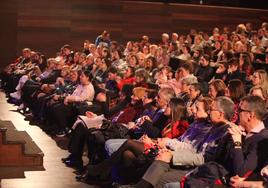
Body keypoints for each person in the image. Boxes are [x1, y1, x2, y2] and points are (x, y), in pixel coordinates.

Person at [114, 96, 234, 188]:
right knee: (152, 161)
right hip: (186, 159)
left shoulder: (224, 133)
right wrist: (163, 145)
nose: (208, 112)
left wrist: (171, 154)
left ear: (220, 114)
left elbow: (202, 157)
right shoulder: (213, 128)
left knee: (157, 174)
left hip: (199, 170)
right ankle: (124, 181)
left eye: (211, 110)